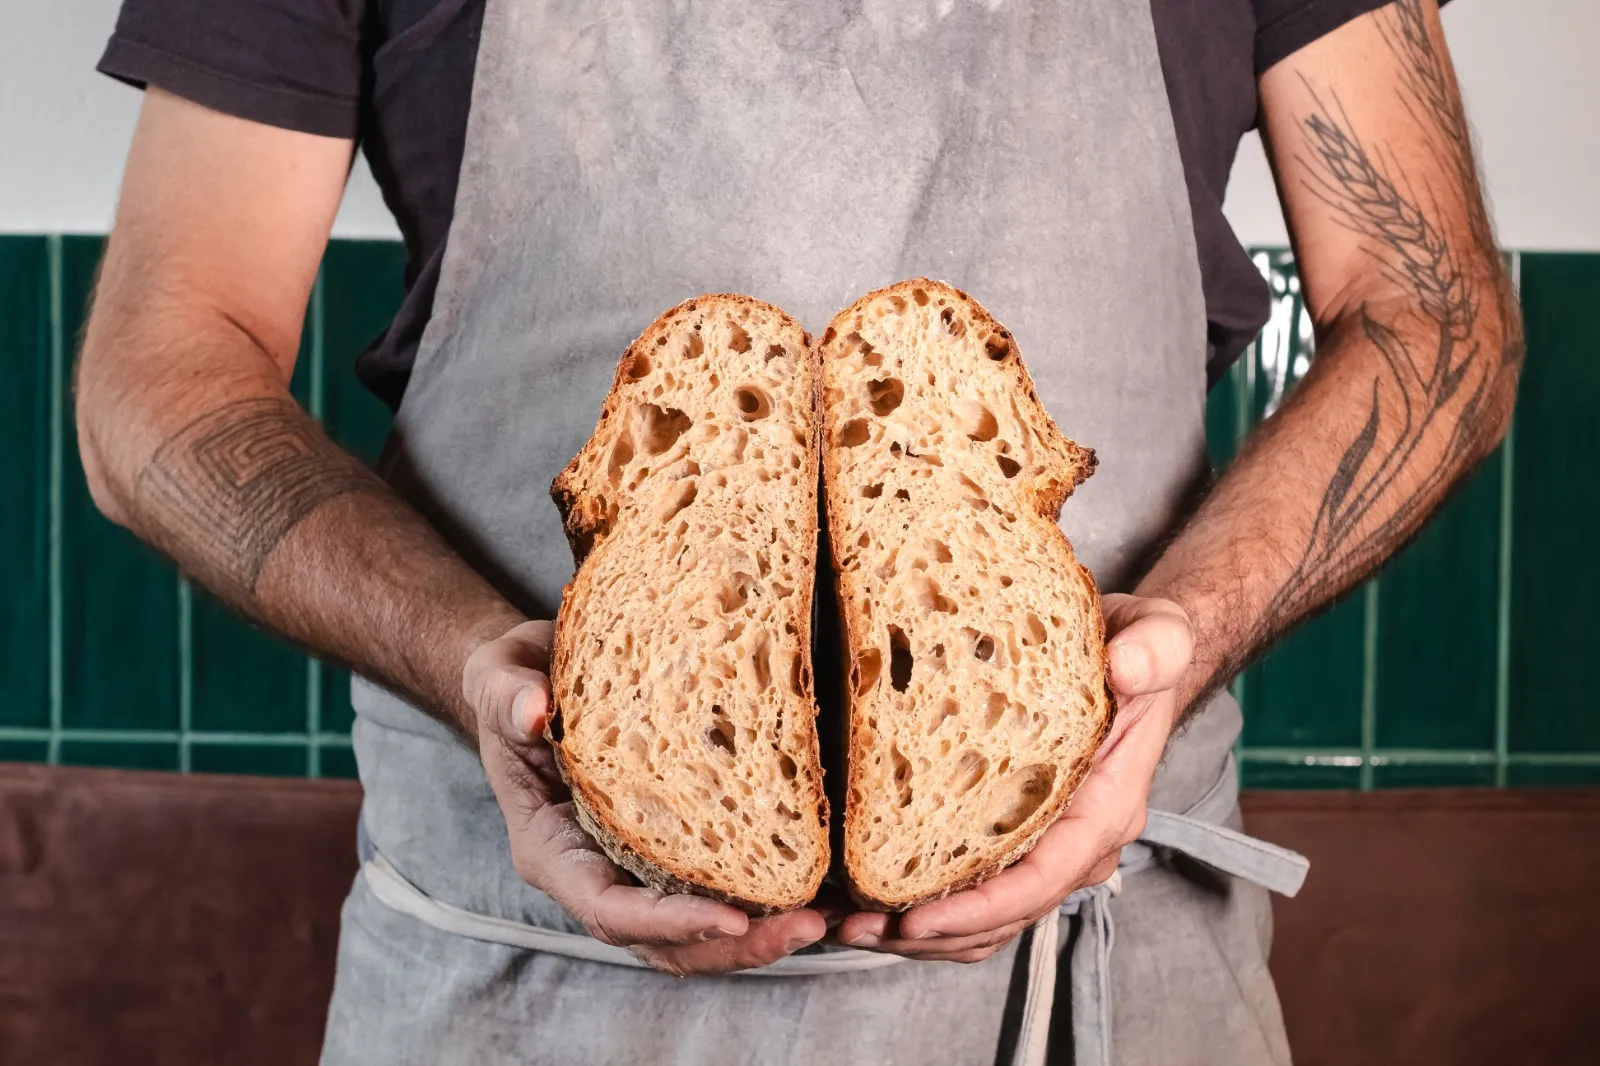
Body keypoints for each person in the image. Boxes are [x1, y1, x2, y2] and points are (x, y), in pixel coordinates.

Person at [77, 0, 1520, 1062]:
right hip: (528, 1000)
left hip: (1102, 999)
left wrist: (1181, 637)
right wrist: (474, 664)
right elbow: (160, 368)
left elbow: (1434, 309)